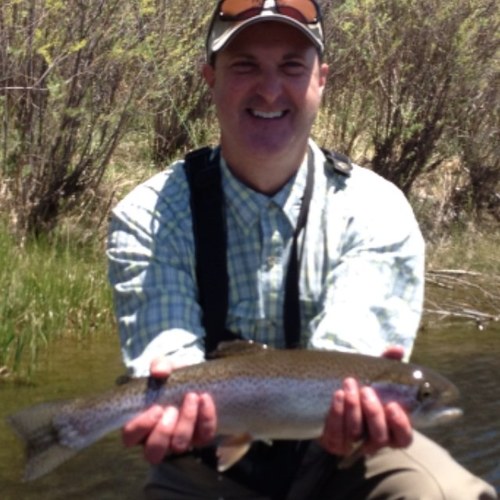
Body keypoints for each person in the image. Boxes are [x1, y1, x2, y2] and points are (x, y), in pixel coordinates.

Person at [107, 1, 497, 498]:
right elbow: (166, 359)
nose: (269, 90)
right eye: (245, 65)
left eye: (292, 66)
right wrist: (177, 400)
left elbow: (346, 355)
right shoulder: (147, 215)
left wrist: (346, 413)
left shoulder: (376, 208)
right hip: (203, 464)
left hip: (351, 456)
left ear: (322, 79)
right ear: (210, 77)